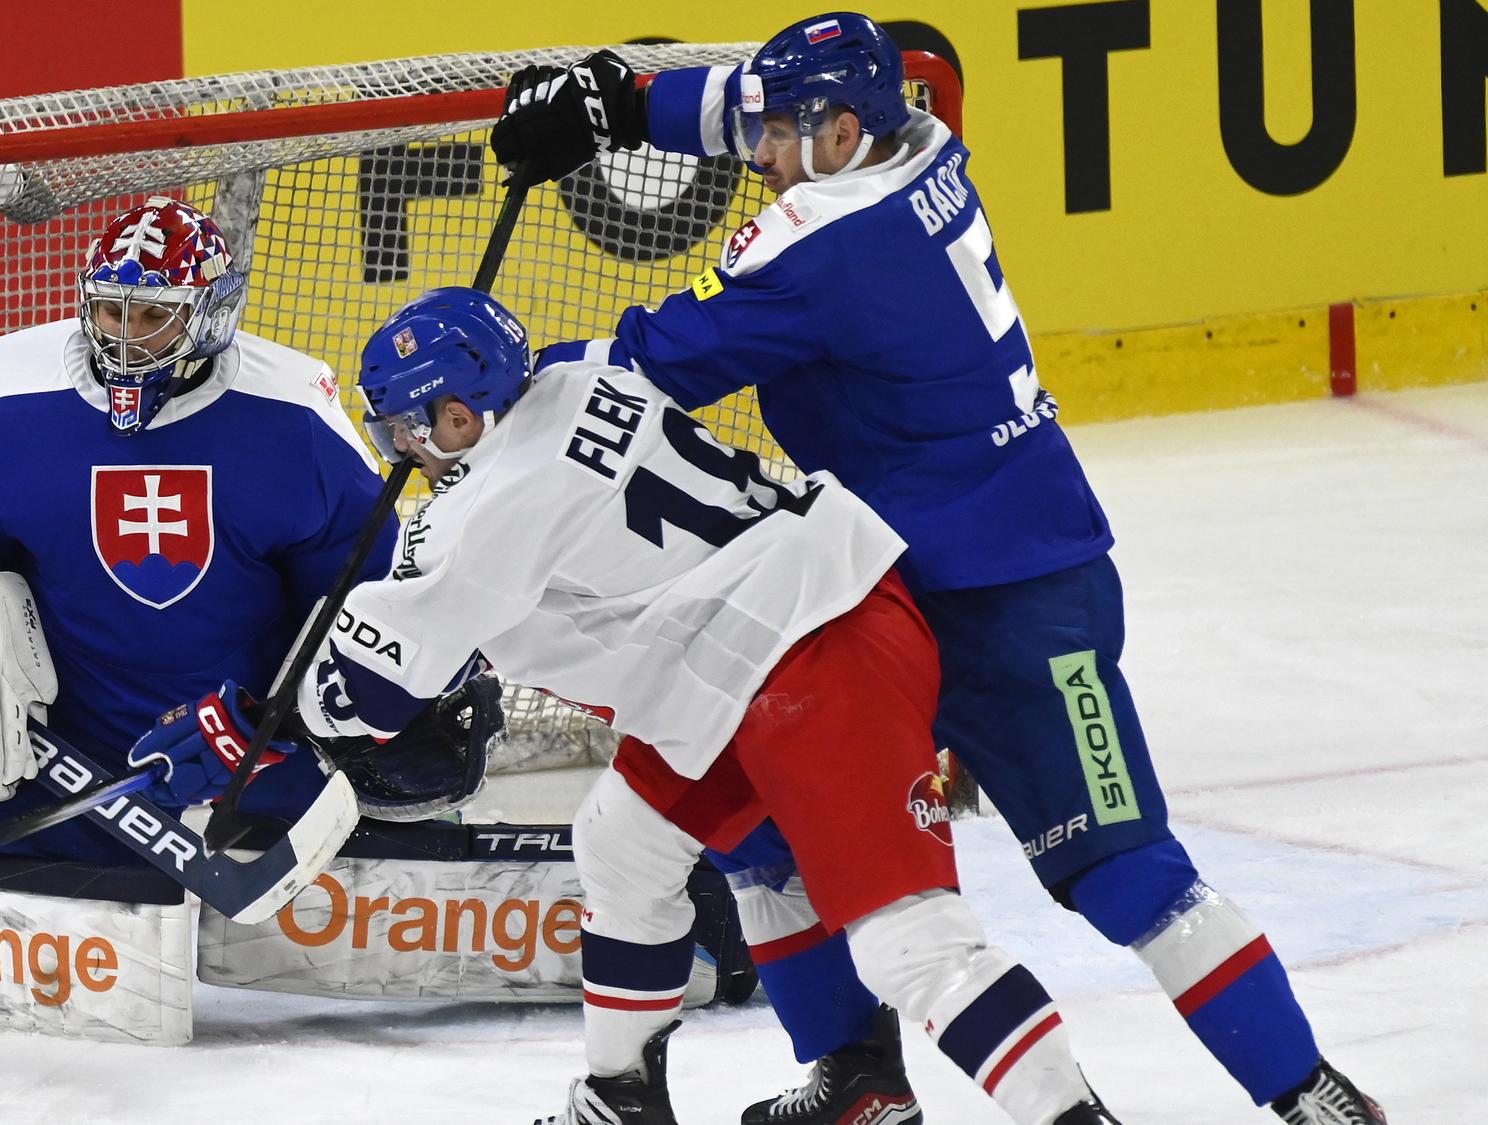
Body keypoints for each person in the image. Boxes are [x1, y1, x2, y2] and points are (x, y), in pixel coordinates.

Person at [488, 15, 1385, 1124]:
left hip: (1016, 604)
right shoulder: (912, 143)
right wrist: (622, 108)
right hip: (870, 596)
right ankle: (859, 1084)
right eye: (763, 127)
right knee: (760, 836)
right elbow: (750, 104)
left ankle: (1313, 1098)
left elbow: (653, 366)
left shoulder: (824, 250)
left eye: (780, 132)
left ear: (841, 128)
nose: (756, 154)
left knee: (1125, 875)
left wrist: (497, 385)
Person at [297, 287, 1124, 1125]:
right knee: (624, 843)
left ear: (462, 417)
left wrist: (300, 689)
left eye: (409, 427)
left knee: (908, 940)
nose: (404, 450)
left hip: (813, 657)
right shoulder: (578, 370)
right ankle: (665, 1097)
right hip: (757, 644)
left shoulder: (482, 518)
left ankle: (1071, 1116)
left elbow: (374, 699)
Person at [0, 194, 408, 853]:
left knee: (344, 925)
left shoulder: (295, 415)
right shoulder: (1, 397)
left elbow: (364, 600)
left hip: (247, 750)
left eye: (155, 314)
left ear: (208, 315)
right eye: (111, 309)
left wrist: (279, 726)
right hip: (60, 755)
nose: (125, 335)